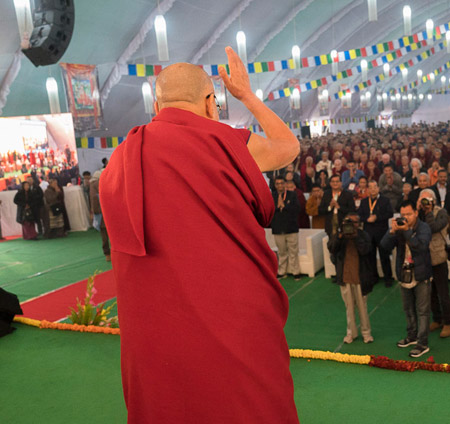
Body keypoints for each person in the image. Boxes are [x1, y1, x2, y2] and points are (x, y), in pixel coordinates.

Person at [99, 47, 300, 423]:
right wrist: (247, 94)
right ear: (211, 103)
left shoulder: (123, 159)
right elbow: (289, 147)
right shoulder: (227, 142)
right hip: (234, 322)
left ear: (156, 106)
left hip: (157, 334)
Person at [380, 200, 433, 358]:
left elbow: (421, 246)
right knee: (408, 309)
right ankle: (411, 336)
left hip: (421, 274)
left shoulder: (424, 227)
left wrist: (408, 231)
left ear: (416, 213)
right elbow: (384, 246)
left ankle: (422, 343)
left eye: (409, 214)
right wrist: (392, 232)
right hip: (404, 273)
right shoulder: (399, 227)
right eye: (403, 215)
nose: (406, 218)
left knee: (422, 311)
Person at [328, 212, 376, 344]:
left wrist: (355, 237)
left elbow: (366, 250)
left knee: (362, 308)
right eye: (348, 222)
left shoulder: (363, 235)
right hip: (345, 277)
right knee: (349, 308)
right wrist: (340, 236)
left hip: (361, 278)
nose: (351, 225)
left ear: (358, 224)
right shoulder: (340, 235)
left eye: (354, 222)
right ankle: (351, 333)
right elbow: (332, 248)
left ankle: (366, 333)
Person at [418, 189, 450, 338]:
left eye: (427, 200)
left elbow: (432, 228)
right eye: (422, 200)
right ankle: (437, 319)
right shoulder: (418, 212)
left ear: (434, 200)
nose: (425, 204)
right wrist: (418, 210)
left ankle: (448, 323)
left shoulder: (442, 213)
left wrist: (428, 212)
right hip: (424, 258)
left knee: (443, 293)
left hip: (438, 257)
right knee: (430, 293)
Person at [357, 180, 394, 286]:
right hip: (368, 233)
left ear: (378, 188)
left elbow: (390, 213)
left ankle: (388, 277)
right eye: (370, 187)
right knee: (370, 256)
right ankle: (374, 277)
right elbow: (359, 215)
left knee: (384, 256)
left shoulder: (385, 200)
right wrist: (366, 219)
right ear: (367, 189)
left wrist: (377, 217)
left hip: (382, 232)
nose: (373, 189)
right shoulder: (364, 202)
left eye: (375, 187)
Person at [271, 176, 301, 280]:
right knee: (282, 252)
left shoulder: (292, 195)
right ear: (275, 185)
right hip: (278, 228)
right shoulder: (271, 196)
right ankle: (282, 271)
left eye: (281, 183)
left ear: (285, 184)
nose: (280, 185)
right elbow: (269, 210)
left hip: (291, 227)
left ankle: (295, 272)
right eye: (277, 184)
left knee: (293, 251)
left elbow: (297, 209)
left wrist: (284, 206)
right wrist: (277, 207)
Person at [89, 171, 110, 261]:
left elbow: (93, 199)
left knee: (104, 235)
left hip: (100, 214)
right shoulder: (105, 182)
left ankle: (107, 254)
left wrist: (95, 212)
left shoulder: (93, 185)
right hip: (109, 212)